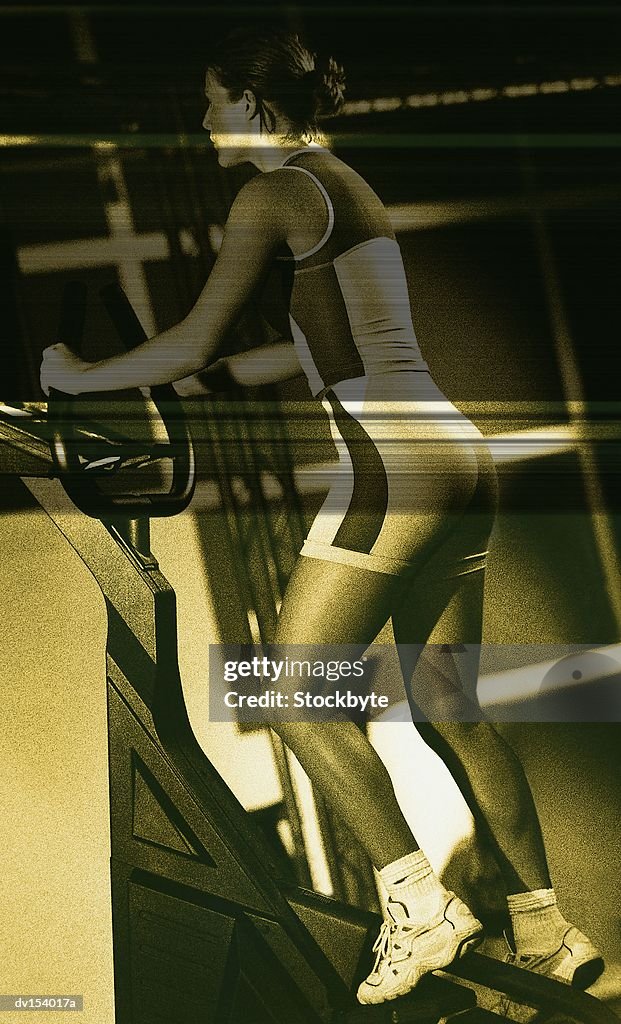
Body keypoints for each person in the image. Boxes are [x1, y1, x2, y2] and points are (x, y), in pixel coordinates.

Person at [40, 27, 604, 1006]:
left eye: (215, 103)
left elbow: (196, 342)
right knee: (450, 710)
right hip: (458, 453)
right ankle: (552, 935)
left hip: (397, 464)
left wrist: (76, 376)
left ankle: (418, 903)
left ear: (252, 107)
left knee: (289, 690)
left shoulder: (274, 188)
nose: (207, 124)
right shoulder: (340, 180)